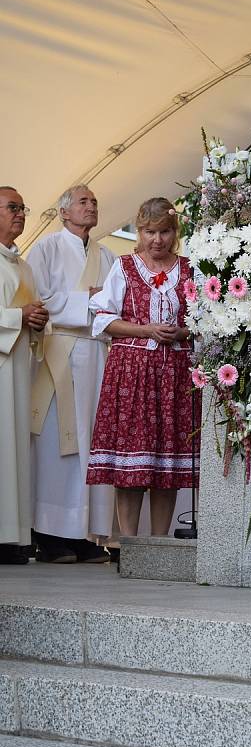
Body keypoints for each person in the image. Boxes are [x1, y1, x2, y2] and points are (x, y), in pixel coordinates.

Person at [86, 197, 199, 537]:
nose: (157, 240)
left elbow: (204, 320)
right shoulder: (124, 266)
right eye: (150, 231)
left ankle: (159, 544)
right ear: (139, 231)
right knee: (130, 463)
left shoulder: (191, 268)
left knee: (167, 463)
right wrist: (147, 330)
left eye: (165, 231)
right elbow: (103, 319)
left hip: (175, 373)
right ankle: (129, 542)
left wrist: (182, 332)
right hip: (131, 371)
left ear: (174, 232)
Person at [27, 184, 115, 563]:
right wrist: (90, 301)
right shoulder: (45, 249)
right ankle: (48, 533)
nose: (91, 206)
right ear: (64, 212)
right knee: (56, 445)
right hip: (59, 352)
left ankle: (84, 533)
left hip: (96, 355)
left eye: (94, 201)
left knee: (91, 444)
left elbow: (117, 303)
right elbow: (39, 299)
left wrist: (102, 304)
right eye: (83, 202)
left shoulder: (108, 254)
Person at [0, 187, 48, 564]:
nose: (20, 214)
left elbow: (32, 314)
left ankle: (13, 537)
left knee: (14, 451)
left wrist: (37, 320)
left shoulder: (24, 265)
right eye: (12, 207)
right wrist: (20, 317)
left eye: (22, 207)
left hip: (17, 369)